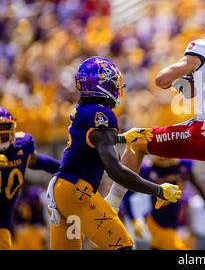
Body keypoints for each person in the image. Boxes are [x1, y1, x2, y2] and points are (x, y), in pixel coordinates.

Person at [105, 4, 205, 250]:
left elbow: (161, 80)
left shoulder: (203, 47)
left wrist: (180, 80)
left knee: (138, 142)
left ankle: (111, 205)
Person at [46, 57, 181, 250]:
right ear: (102, 85)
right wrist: (157, 190)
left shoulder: (84, 110)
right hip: (78, 193)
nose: (117, 89)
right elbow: (115, 170)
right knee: (123, 246)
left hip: (61, 191)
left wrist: (122, 138)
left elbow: (92, 140)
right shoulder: (101, 116)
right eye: (113, 84)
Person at [122, 156, 205, 250]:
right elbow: (127, 192)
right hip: (156, 219)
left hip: (176, 218)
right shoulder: (148, 169)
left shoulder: (183, 165)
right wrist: (133, 219)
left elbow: (198, 187)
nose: (164, 157)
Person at [0, 107, 61, 250]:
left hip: (3, 222)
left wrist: (65, 170)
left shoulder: (22, 147)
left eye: (3, 129)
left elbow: (37, 161)